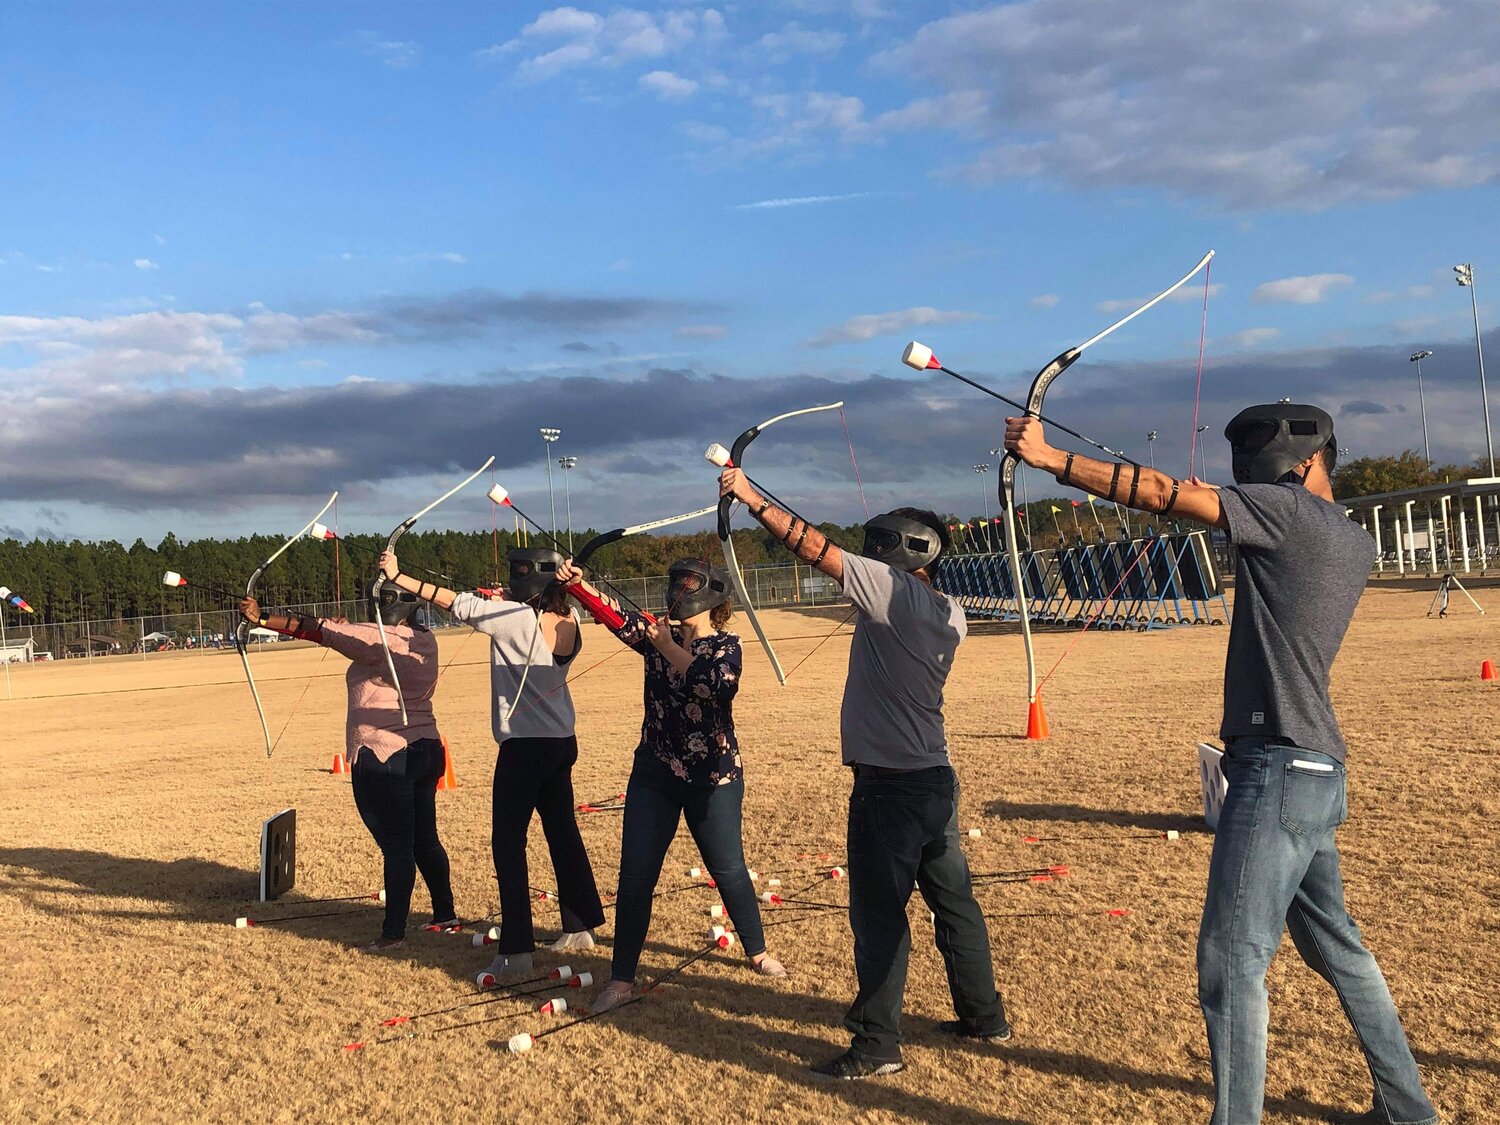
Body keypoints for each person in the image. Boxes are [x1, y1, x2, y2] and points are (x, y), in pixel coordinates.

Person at [1004, 403, 1437, 1125]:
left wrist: (1052, 459)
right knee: (1342, 950)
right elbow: (1184, 497)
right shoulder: (1347, 537)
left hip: (1278, 771)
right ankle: (1407, 1107)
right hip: (1315, 772)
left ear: (1306, 461)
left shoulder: (1289, 515)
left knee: (1229, 963)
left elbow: (1162, 493)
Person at [716, 469, 1009, 1080]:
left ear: (904, 551)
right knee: (954, 904)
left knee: (879, 915)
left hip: (890, 787)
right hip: (934, 780)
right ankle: (985, 1018)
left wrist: (749, 498)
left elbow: (812, 546)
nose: (869, 555)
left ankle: (877, 1045)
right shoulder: (951, 610)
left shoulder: (890, 590)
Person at [555, 556, 786, 1013]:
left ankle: (757, 953)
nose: (678, 595)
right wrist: (580, 588)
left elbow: (715, 687)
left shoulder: (725, 646)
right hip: (655, 773)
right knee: (636, 878)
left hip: (713, 777)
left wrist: (666, 645)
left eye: (688, 587)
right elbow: (616, 619)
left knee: (729, 870)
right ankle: (621, 979)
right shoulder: (657, 634)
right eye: (674, 585)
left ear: (711, 596)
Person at [379, 547, 606, 979]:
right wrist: (503, 603)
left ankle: (517, 950)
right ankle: (580, 927)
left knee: (508, 844)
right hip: (561, 743)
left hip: (524, 749)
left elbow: (455, 603)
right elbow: (512, 616)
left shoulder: (516, 619)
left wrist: (399, 575)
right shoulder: (570, 619)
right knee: (562, 833)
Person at [238, 582, 456, 951]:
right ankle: (444, 914)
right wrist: (346, 630)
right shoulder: (425, 638)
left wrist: (262, 617)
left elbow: (317, 629)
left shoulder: (377, 638)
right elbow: (355, 638)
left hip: (384, 755)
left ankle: (393, 934)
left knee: (398, 847)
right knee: (424, 839)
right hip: (425, 750)